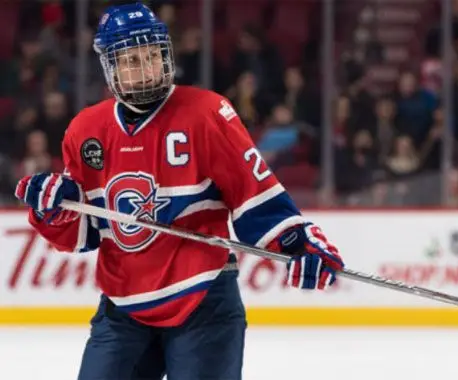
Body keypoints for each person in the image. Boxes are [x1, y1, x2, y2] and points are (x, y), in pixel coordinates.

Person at [13, 3, 345, 380]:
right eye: (131, 59)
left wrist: (297, 244)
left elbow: (255, 194)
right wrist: (54, 210)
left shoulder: (206, 113)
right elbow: (87, 233)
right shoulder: (85, 130)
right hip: (123, 309)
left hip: (203, 301)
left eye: (151, 55)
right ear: (110, 67)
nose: (145, 68)